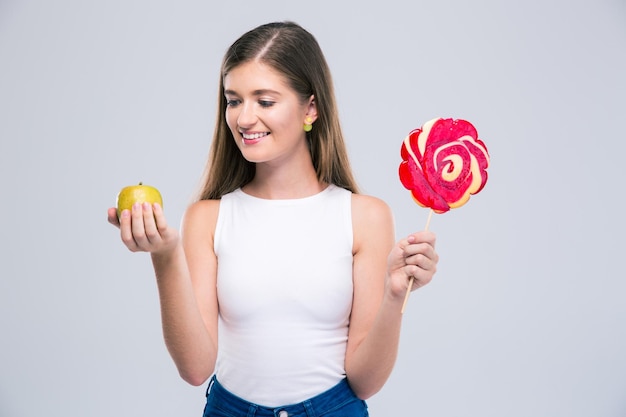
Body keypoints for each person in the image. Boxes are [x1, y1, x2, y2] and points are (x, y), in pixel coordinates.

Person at [108, 21, 438, 417]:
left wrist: (394, 295)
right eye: (234, 100)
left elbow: (365, 382)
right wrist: (164, 256)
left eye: (264, 101)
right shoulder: (207, 218)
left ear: (310, 108)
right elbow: (195, 368)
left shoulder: (365, 216)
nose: (244, 118)